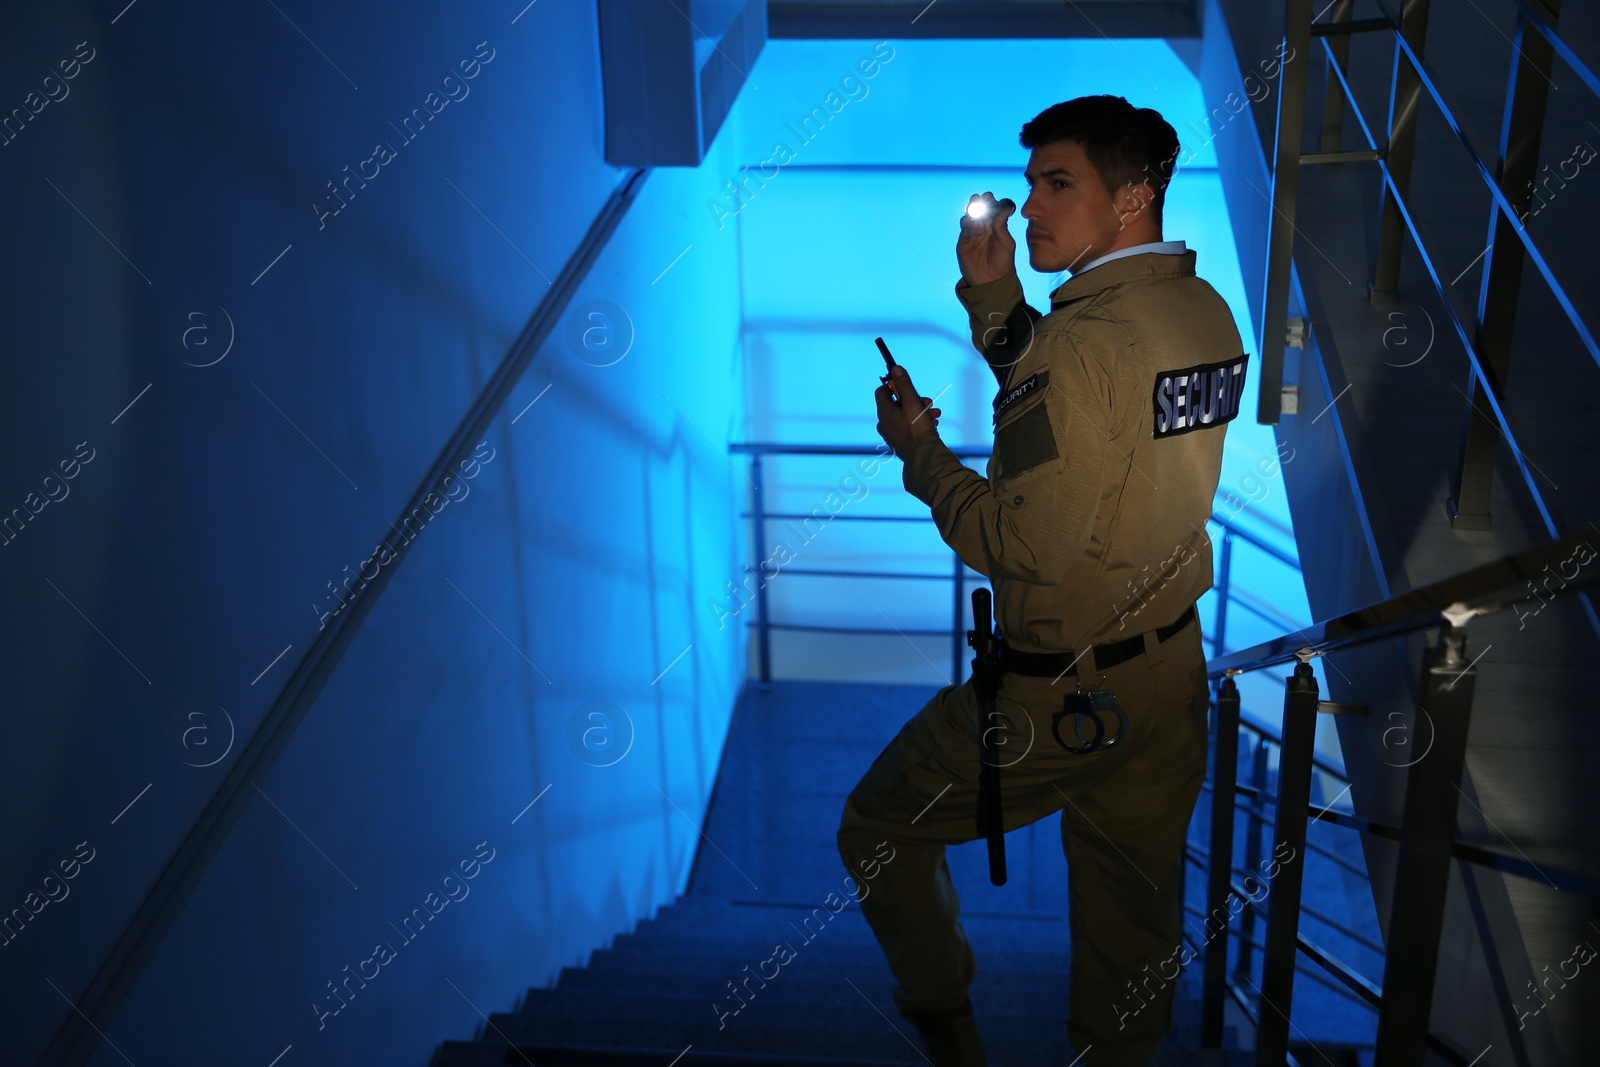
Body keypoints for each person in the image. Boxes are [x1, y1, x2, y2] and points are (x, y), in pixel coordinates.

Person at [836, 95, 1248, 1067]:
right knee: (1130, 931)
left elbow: (1018, 542)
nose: (1027, 210)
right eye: (1025, 189)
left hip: (1059, 692)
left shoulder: (1077, 348)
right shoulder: (1201, 309)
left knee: (876, 828)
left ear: (1132, 195)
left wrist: (918, 451)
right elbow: (1087, 409)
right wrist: (995, 299)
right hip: (1167, 679)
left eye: (1056, 184)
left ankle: (946, 1027)